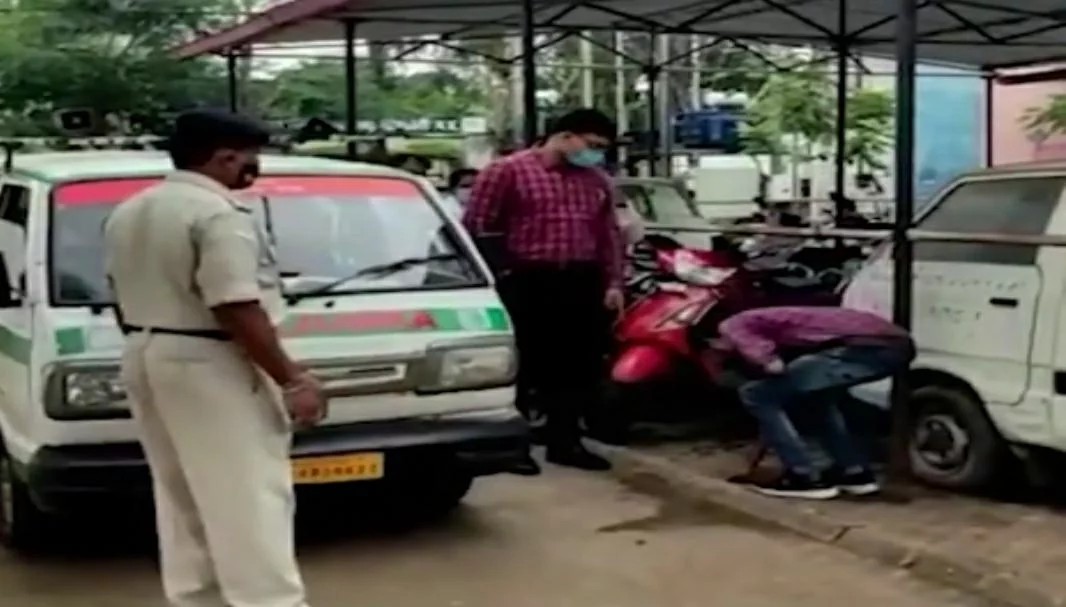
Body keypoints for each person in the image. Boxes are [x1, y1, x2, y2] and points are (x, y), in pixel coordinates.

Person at [104, 109, 324, 607]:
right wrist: (291, 379)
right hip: (209, 359)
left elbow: (118, 294)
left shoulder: (132, 210)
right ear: (225, 158)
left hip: (146, 349)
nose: (254, 168)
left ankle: (198, 597)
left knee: (181, 493)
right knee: (248, 497)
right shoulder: (218, 214)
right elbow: (235, 305)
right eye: (250, 159)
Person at [463, 108, 625, 472]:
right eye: (592, 144)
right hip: (526, 278)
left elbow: (608, 236)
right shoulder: (507, 171)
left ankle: (564, 441)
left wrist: (613, 282)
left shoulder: (596, 180)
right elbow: (478, 225)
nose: (595, 153)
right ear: (565, 136)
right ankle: (513, 446)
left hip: (580, 279)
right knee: (524, 362)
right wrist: (500, 273)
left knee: (575, 367)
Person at [716, 306, 914, 499]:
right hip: (895, 345)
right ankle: (854, 473)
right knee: (816, 400)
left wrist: (764, 366)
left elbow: (771, 364)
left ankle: (803, 476)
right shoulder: (778, 317)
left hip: (862, 347)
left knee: (757, 394)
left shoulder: (733, 324)